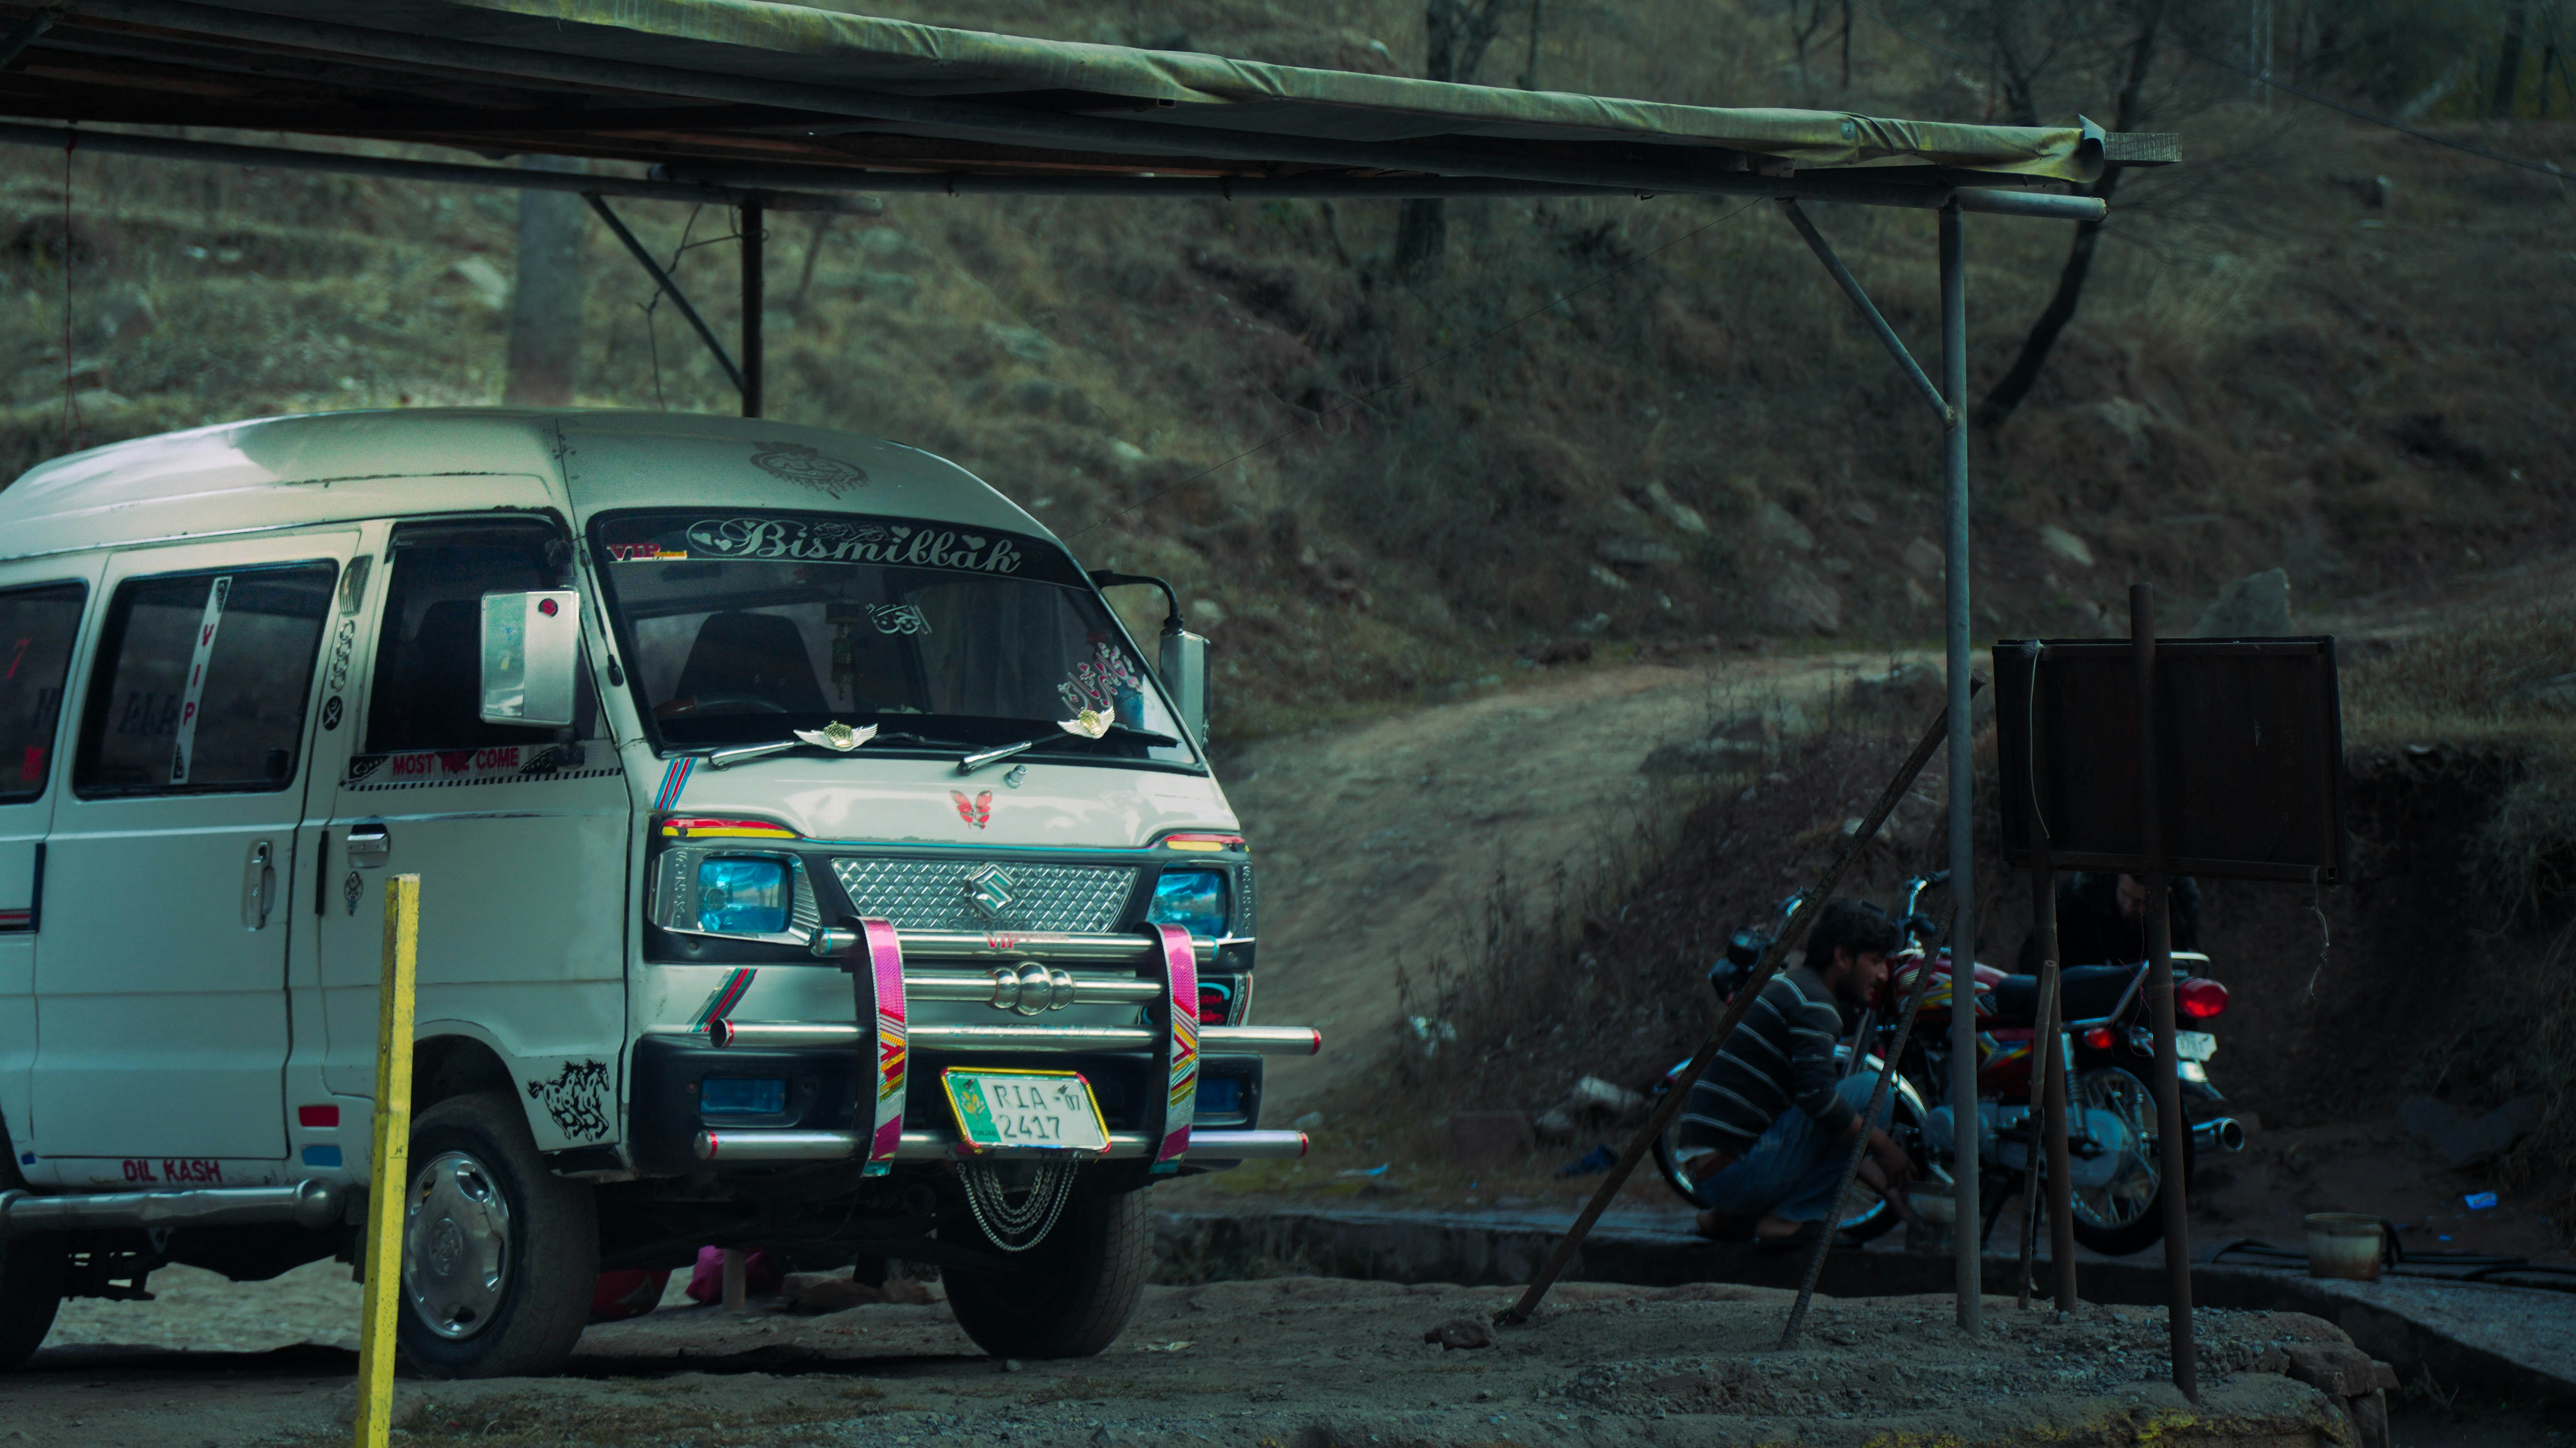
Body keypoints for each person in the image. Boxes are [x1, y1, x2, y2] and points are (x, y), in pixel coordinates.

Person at [1675, 899, 1915, 1250]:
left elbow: (1819, 1130)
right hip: (1732, 1173)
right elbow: (1820, 1103)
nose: (1883, 975)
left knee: (1843, 1105)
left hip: (1709, 1170)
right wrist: (1884, 1145)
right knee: (1873, 1090)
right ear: (1843, 958)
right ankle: (1788, 1221)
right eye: (1876, 961)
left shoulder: (1795, 986)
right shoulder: (1817, 1006)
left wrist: (1887, 1187)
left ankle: (1730, 1219)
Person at [2016, 871, 2200, 974]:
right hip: (2082, 1002)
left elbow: (2184, 964)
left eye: (2140, 903)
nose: (2129, 907)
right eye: (2125, 895)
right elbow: (2036, 953)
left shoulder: (2180, 910)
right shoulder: (2082, 894)